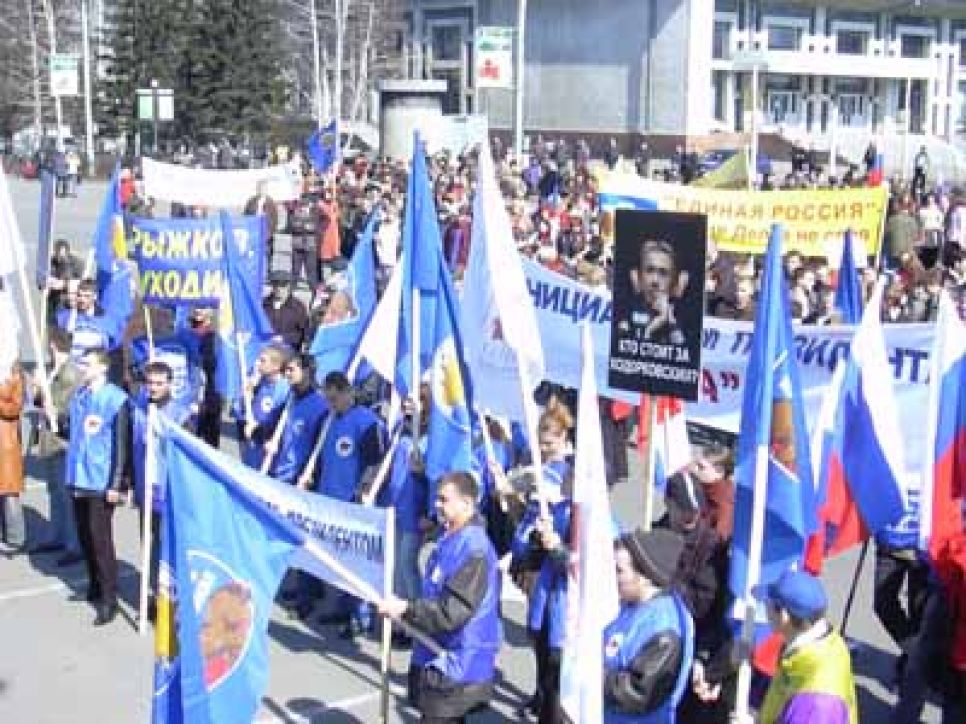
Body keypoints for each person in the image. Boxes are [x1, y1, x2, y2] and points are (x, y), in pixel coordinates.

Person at [377, 471, 502, 723]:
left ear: (466, 503)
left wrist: (406, 609)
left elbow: (453, 612)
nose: (436, 505)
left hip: (459, 666)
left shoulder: (474, 549)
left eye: (444, 500)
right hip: (437, 656)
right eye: (437, 498)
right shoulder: (449, 539)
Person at [302, 370, 386, 637]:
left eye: (335, 399)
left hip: (352, 504)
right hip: (329, 501)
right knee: (337, 561)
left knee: (355, 564)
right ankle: (340, 606)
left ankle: (360, 617)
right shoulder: (330, 420)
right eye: (328, 399)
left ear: (348, 392)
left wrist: (364, 491)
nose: (332, 404)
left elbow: (376, 462)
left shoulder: (365, 423)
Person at [65, 348, 130, 626]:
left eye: (87, 363)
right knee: (84, 536)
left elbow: (121, 447)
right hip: (78, 475)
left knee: (100, 539)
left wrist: (117, 483)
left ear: (102, 367)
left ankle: (109, 598)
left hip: (101, 480)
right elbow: (70, 431)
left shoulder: (115, 400)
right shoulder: (80, 396)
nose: (82, 367)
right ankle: (93, 585)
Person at [603, 527, 694, 723]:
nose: (611, 576)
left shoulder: (664, 628)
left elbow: (640, 693)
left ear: (645, 577)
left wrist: (594, 676)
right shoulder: (631, 605)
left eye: (619, 571)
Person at [756, 569, 858, 724]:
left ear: (784, 616)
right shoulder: (827, 643)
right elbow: (781, 693)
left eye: (768, 604)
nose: (765, 608)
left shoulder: (816, 704)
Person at [130, 361, 193, 611]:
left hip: (170, 488)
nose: (153, 388)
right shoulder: (140, 409)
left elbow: (188, 452)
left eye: (159, 383)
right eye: (150, 383)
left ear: (169, 384)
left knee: (171, 544)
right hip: (146, 485)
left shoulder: (181, 413)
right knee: (150, 542)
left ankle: (174, 598)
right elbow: (132, 445)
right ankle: (155, 595)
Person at [28, 328, 83, 565]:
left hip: (62, 442)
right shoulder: (52, 370)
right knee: (53, 491)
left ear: (53, 345)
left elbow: (65, 408)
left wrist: (50, 405)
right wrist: (38, 388)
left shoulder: (70, 373)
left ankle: (73, 544)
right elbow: (41, 403)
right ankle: (56, 535)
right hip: (48, 439)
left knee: (65, 493)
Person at [619, 240, 686, 345]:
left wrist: (671, 322)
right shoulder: (626, 309)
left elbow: (686, 353)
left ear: (673, 279)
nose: (655, 280)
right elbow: (622, 349)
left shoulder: (683, 312)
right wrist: (650, 330)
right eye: (650, 270)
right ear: (640, 275)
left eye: (663, 273)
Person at [235, 344, 290, 470]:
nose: (258, 363)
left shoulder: (283, 389)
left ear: (276, 366)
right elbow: (243, 410)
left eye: (263, 360)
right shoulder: (259, 382)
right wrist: (247, 393)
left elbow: (280, 422)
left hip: (266, 448)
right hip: (251, 445)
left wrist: (258, 431)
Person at [0, 340, 25, 552]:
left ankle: (16, 538)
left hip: (6, 442)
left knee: (9, 494)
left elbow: (15, 408)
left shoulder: (14, 376)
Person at [263, 270, 310, 351]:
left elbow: (303, 334)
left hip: (288, 351)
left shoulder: (298, 307)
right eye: (275, 285)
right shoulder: (263, 305)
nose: (278, 288)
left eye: (282, 285)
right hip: (266, 349)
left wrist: (284, 338)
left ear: (289, 286)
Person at [288, 189, 323, 289]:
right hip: (297, 245)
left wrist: (308, 227)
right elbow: (292, 227)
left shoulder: (315, 213)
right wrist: (306, 227)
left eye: (306, 206)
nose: (304, 208)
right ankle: (292, 287)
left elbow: (316, 227)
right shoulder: (295, 213)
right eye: (302, 206)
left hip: (310, 245)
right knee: (295, 268)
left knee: (311, 268)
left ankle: (313, 287)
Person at [244, 182, 279, 271]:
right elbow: (245, 215)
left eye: (264, 189)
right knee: (253, 252)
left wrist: (270, 233)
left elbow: (275, 219)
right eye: (260, 189)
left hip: (266, 232)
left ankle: (268, 270)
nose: (262, 191)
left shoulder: (271, 202)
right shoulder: (251, 201)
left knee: (267, 254)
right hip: (253, 231)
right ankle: (253, 269)